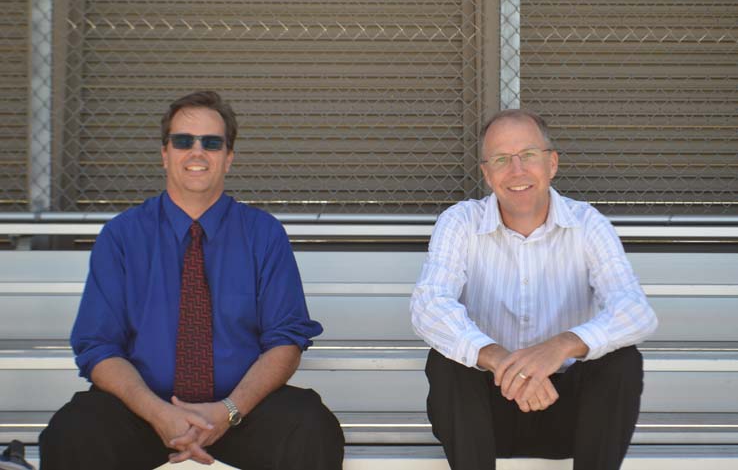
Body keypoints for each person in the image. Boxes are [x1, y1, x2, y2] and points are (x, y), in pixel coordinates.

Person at [40, 91, 344, 469]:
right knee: (73, 433)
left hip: (240, 411)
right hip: (143, 412)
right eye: (183, 141)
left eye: (212, 143)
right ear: (164, 153)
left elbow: (286, 339)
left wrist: (229, 410)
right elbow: (99, 346)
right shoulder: (122, 235)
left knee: (311, 427)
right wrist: (157, 413)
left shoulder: (263, 234)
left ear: (229, 157)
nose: (197, 152)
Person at [410, 109, 658, 470]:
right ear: (486, 173)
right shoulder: (460, 222)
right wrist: (497, 359)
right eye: (501, 159)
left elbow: (637, 312)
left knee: (622, 360)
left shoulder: (587, 223)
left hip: (570, 416)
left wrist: (559, 347)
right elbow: (428, 306)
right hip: (484, 419)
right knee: (449, 361)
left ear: (552, 163)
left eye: (528, 155)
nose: (517, 171)